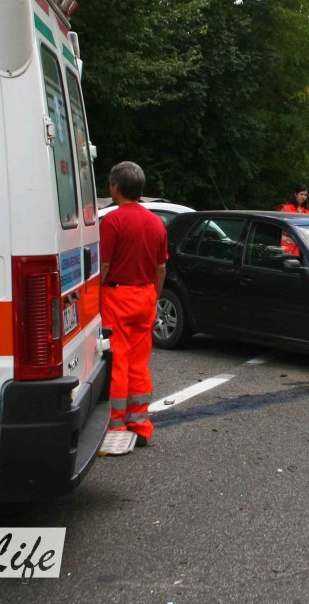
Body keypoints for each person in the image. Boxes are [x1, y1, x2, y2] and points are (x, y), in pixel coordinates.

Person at [100, 161, 168, 447]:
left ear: (115, 187)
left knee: (118, 361)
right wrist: (154, 297)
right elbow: (161, 268)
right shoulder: (156, 223)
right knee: (139, 363)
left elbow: (104, 265)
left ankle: (115, 425)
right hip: (145, 296)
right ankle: (139, 425)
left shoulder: (112, 221)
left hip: (117, 296)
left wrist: (95, 292)